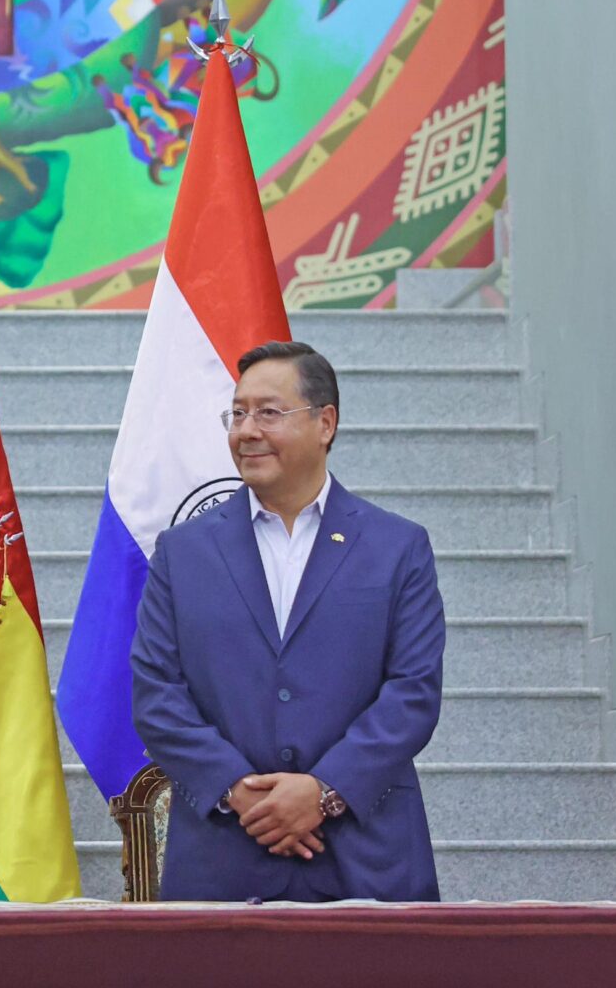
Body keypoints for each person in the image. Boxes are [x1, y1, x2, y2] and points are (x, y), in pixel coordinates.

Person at [130, 338, 445, 901]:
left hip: (366, 857)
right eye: (238, 414)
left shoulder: (398, 547)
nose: (247, 430)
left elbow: (413, 692)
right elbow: (157, 693)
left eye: (268, 413)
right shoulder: (182, 552)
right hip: (225, 854)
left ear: (325, 423)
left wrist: (324, 791)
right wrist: (238, 790)